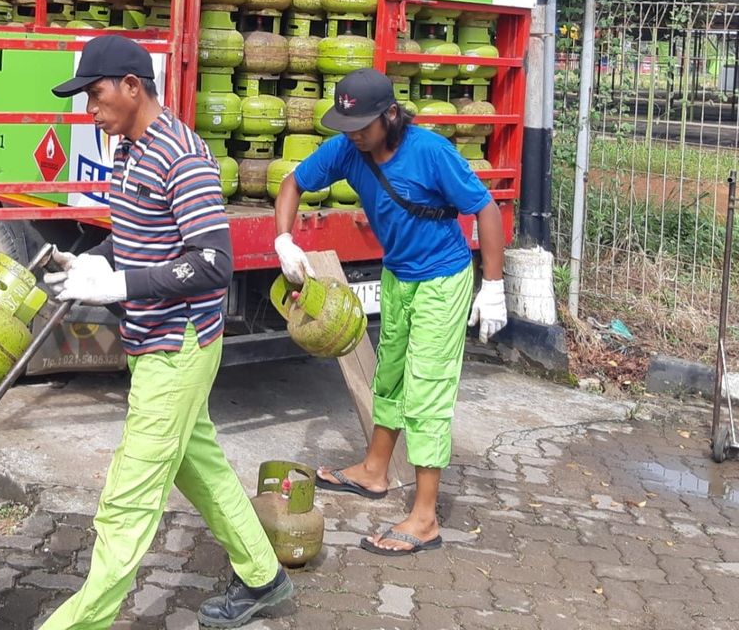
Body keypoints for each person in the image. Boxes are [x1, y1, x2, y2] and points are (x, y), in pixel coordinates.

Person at [41, 34, 292, 629]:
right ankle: (263, 576)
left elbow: (212, 261)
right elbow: (136, 236)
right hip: (149, 340)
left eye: (95, 95)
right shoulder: (129, 148)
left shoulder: (183, 156)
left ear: (133, 86)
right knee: (196, 461)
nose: (89, 110)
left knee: (128, 499)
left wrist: (120, 288)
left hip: (178, 343)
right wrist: (89, 260)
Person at [272, 68, 507, 556]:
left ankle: (425, 518)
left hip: (442, 280)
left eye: (362, 124)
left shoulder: (431, 153)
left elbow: (485, 209)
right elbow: (293, 183)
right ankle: (375, 472)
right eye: (346, 124)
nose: (353, 134)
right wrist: (283, 239)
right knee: (390, 376)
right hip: (397, 275)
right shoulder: (347, 149)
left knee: (427, 391)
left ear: (392, 115)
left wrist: (494, 286)